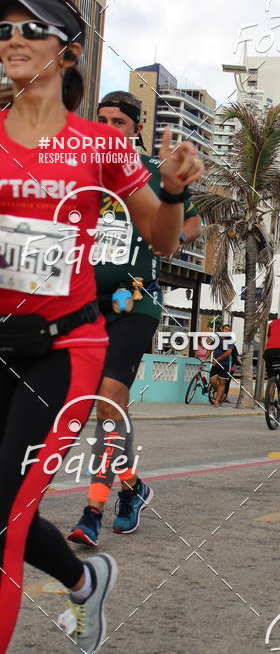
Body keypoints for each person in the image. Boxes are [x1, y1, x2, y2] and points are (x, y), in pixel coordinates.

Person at [0, 0, 202, 654]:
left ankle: (99, 534)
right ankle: (86, 580)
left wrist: (172, 190)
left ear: (69, 52)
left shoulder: (100, 146)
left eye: (32, 28)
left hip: (65, 348)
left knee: (3, 521)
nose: (13, 38)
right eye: (4, 28)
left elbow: (162, 238)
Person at [68, 91, 202, 547]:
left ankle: (92, 511)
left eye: (118, 122)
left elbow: (188, 227)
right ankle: (133, 487)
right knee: (109, 410)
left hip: (136, 304)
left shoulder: (151, 171)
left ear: (135, 129)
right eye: (101, 119)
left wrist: (169, 232)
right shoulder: (79, 171)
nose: (108, 128)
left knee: (106, 401)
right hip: (85, 305)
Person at [210, 323, 242, 407]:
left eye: (228, 330)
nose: (227, 331)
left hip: (225, 364)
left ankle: (217, 401)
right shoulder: (216, 339)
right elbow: (210, 349)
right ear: (221, 329)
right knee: (212, 382)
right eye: (225, 329)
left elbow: (228, 353)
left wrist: (217, 360)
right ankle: (223, 395)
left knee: (222, 383)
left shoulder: (230, 340)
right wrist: (205, 359)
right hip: (215, 364)